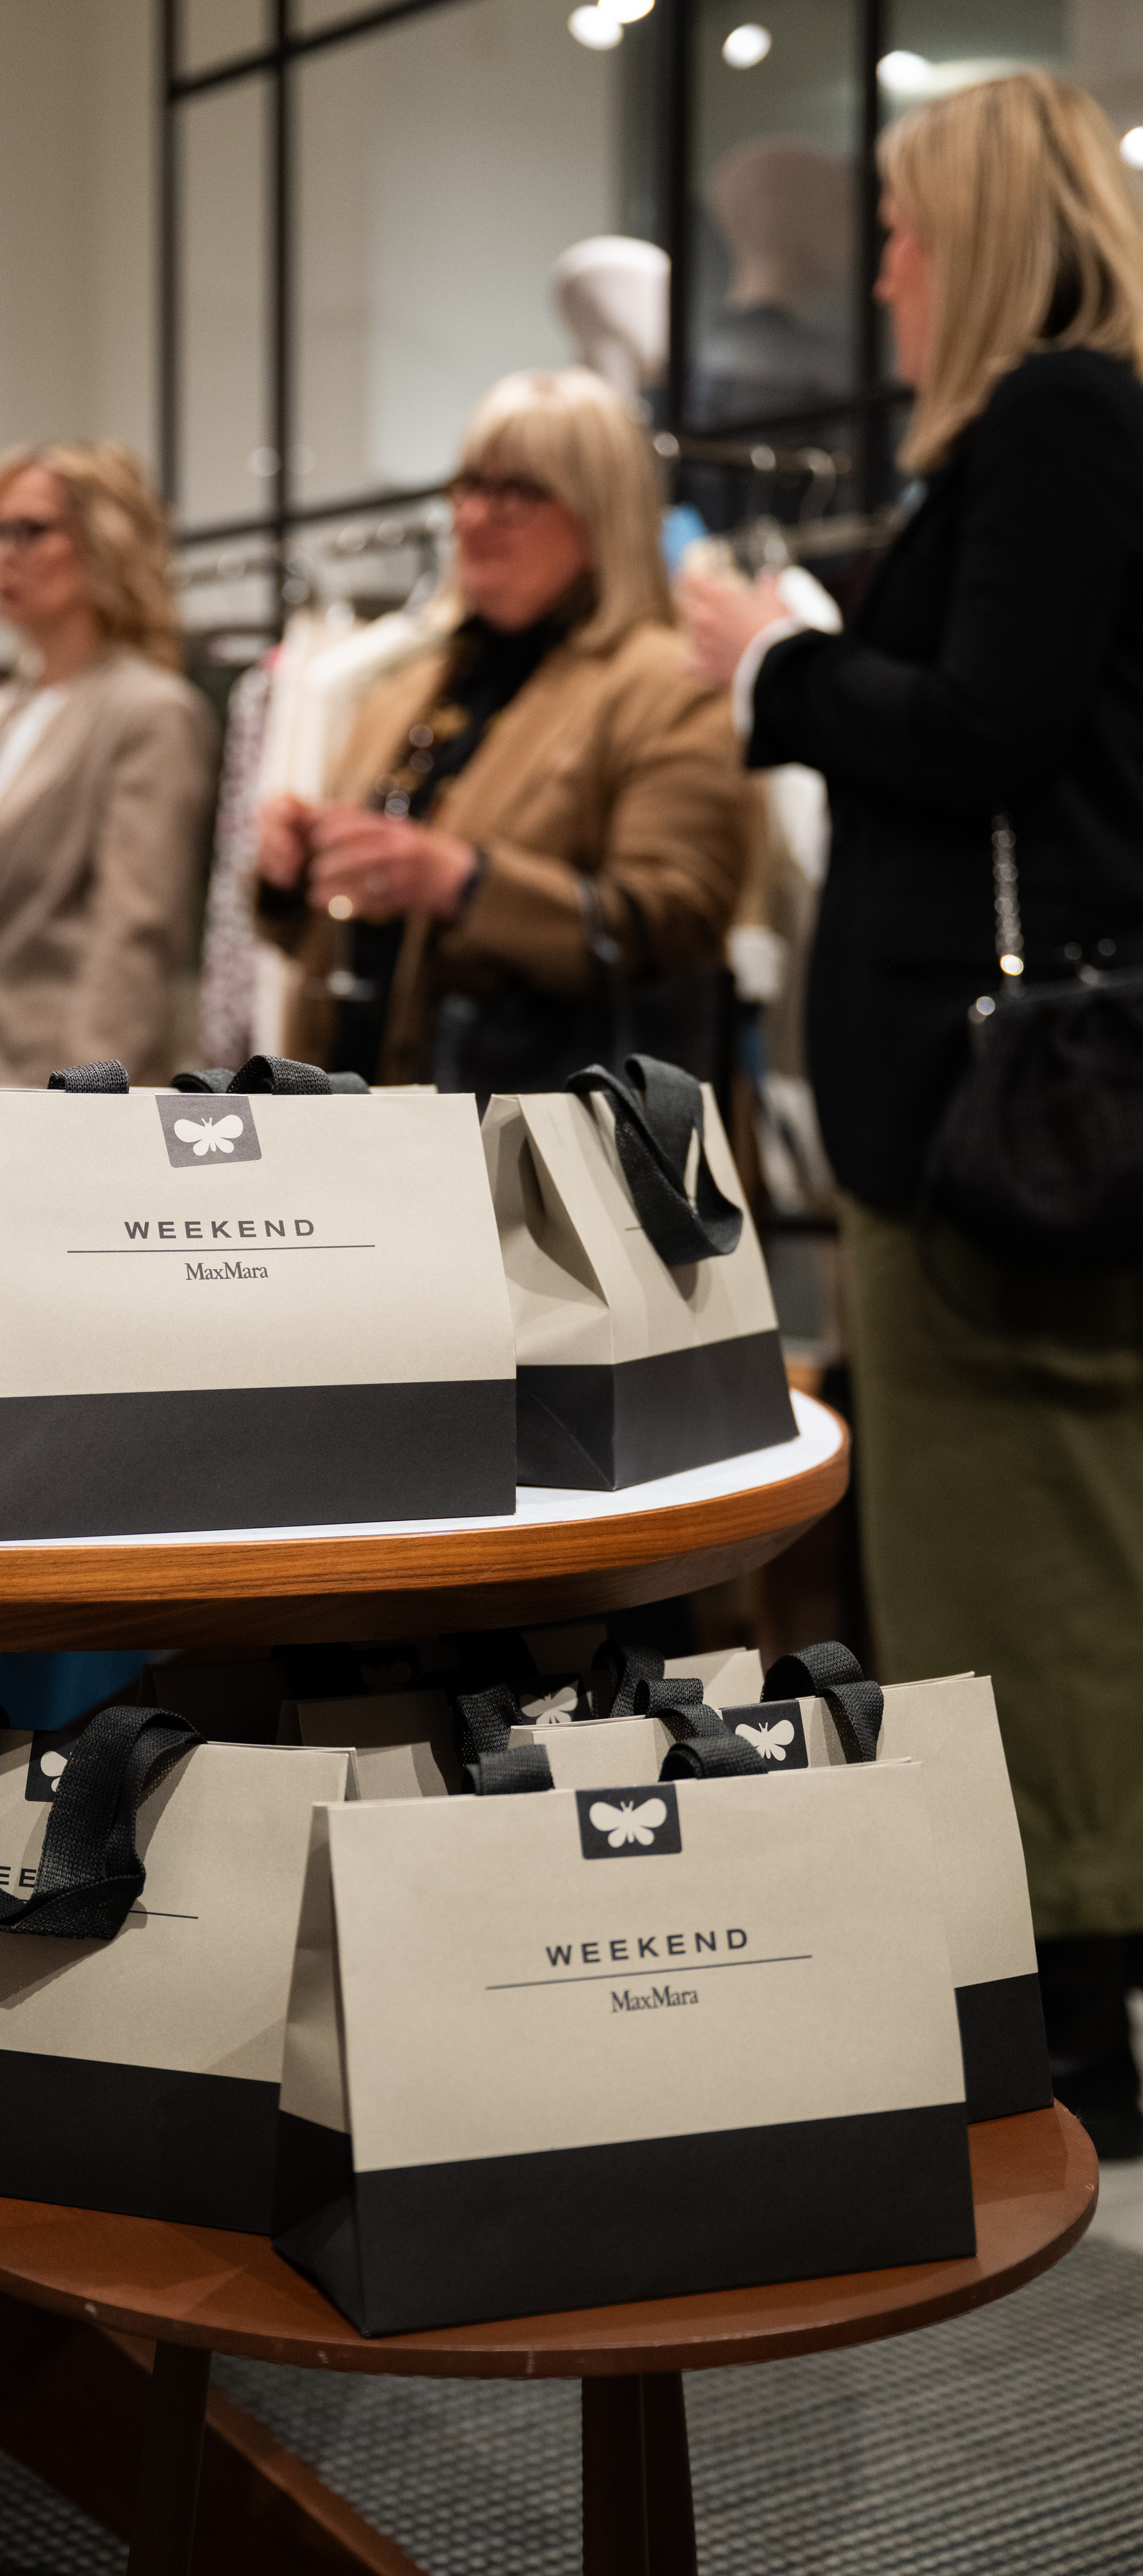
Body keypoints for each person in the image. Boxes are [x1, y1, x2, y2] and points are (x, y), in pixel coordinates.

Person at [684, 71, 1143, 2157]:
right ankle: (1059, 1976)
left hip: (988, 1102)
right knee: (1029, 1539)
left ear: (973, 233)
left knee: (1006, 1552)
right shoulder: (1062, 428)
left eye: (897, 232)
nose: (876, 275)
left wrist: (771, 668)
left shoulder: (1054, 418)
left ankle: (1058, 1997)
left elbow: (981, 729)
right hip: (997, 1091)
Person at [253, 367, 754, 1089]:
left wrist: (464, 883)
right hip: (371, 1119)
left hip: (545, 1131)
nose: (473, 517)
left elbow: (678, 924)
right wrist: (296, 868)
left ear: (599, 515)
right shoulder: (407, 687)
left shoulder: (670, 688)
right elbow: (334, 942)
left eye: (516, 493)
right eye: (468, 487)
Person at [0, 442, 215, 1086]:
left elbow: (132, 940)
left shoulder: (148, 712)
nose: (2, 554)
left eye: (29, 531)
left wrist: (81, 1103)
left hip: (58, 1088)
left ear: (105, 540)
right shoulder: (3, 719)